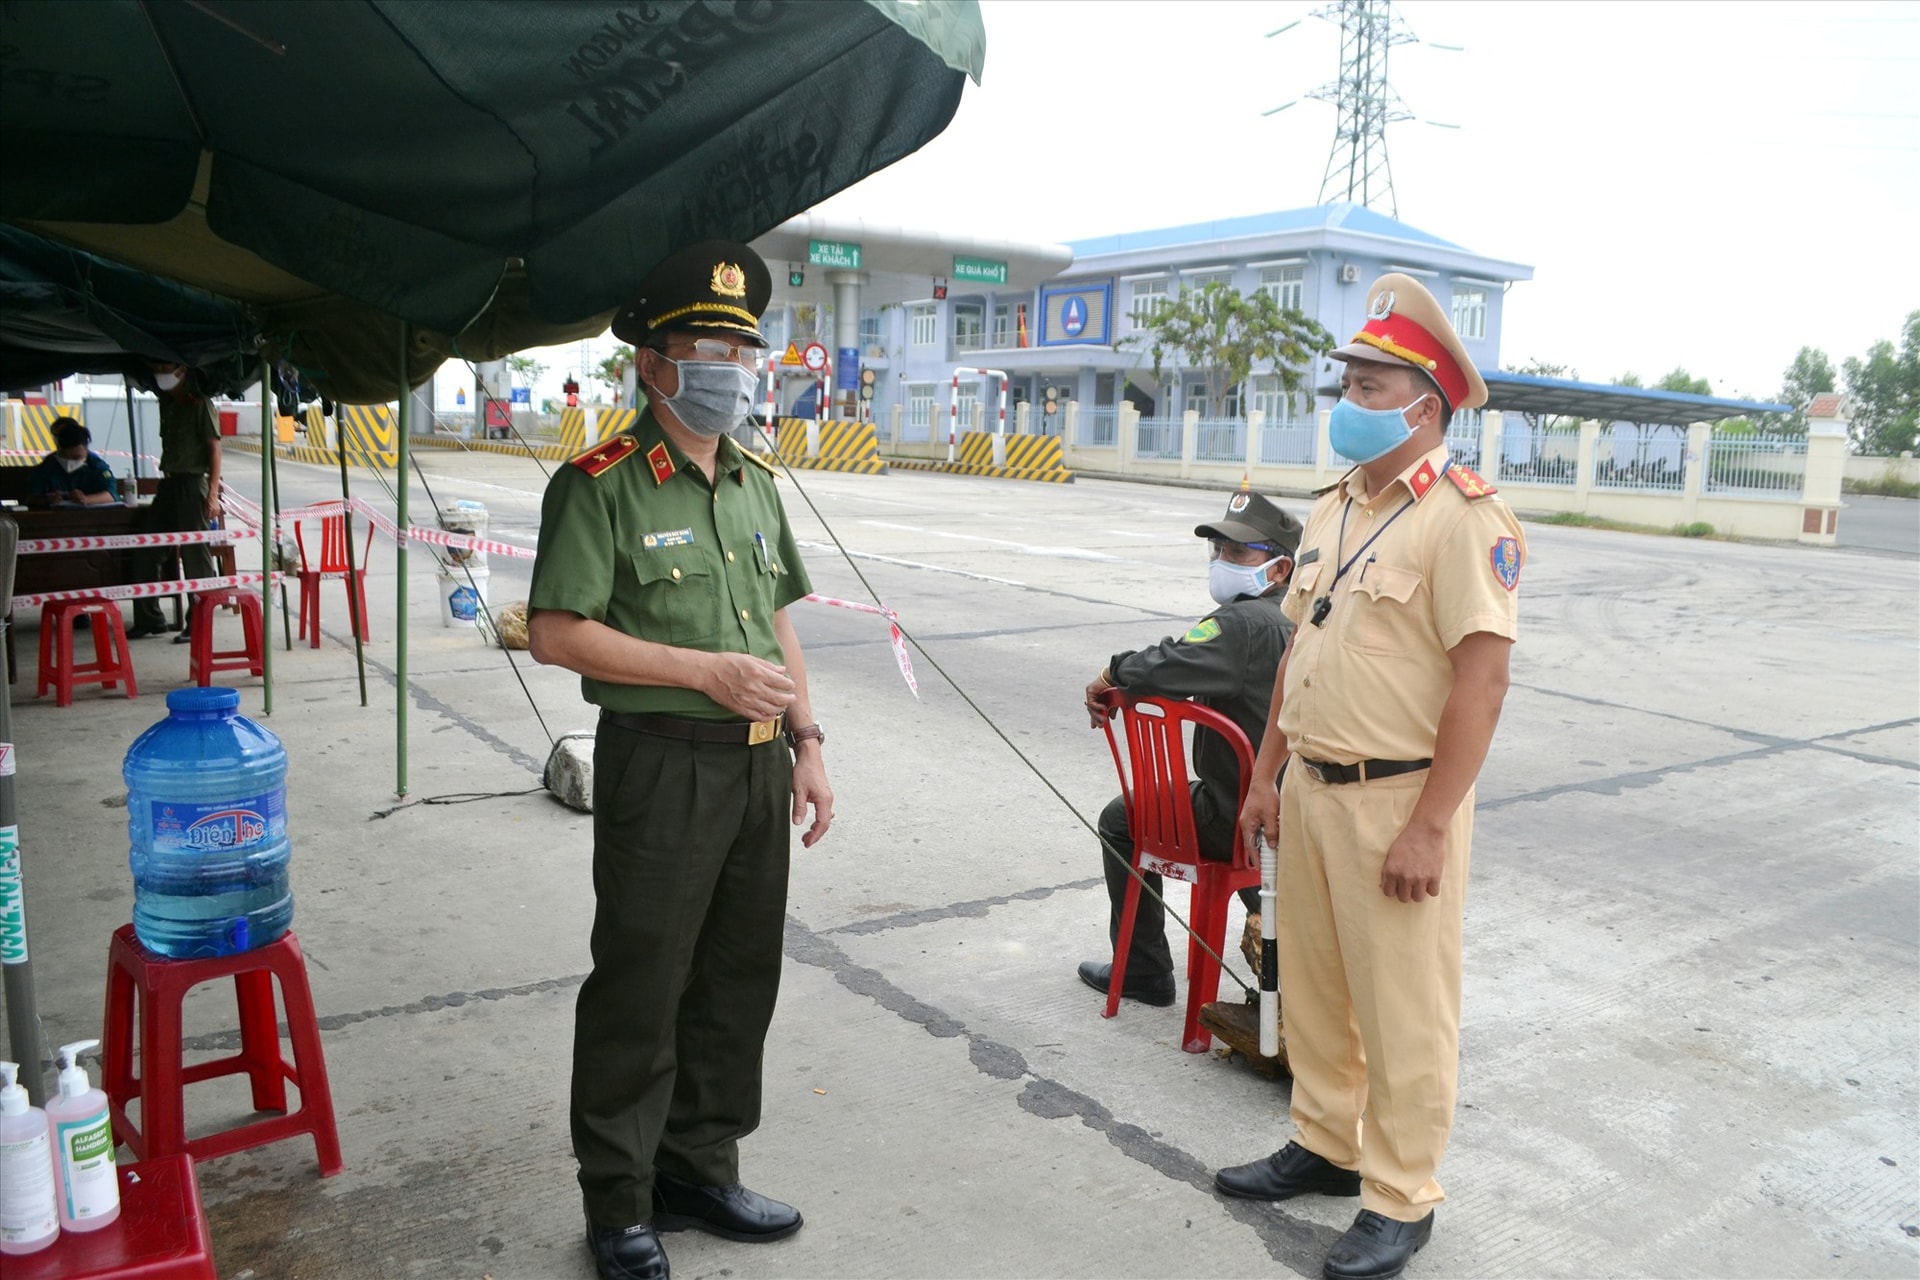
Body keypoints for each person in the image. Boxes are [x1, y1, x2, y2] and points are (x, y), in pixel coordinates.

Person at [526, 240, 834, 1280]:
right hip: (661, 761)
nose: (730, 368)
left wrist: (809, 743)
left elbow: (781, 624)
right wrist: (699, 670)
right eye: (707, 345)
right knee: (644, 981)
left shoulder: (752, 479)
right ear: (652, 362)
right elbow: (557, 631)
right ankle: (618, 1196)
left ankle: (699, 1164)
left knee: (736, 975)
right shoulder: (600, 483)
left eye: (741, 348)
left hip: (755, 767)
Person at [1214, 274, 1525, 1280]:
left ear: (1425, 404)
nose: (1349, 393)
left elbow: (1481, 686)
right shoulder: (1335, 507)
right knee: (1313, 983)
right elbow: (1299, 653)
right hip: (1308, 786)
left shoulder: (1464, 519)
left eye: (1371, 379)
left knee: (1402, 1004)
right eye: (1347, 375)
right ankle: (1326, 1142)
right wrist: (1265, 775)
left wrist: (1431, 825)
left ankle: (1401, 1194)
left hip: (1400, 798)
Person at [1076, 490, 1300, 1007]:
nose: (1222, 562)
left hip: (1240, 813)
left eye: (1239, 553)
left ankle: (1142, 972)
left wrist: (1113, 671)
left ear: (1279, 567)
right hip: (1298, 810)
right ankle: (1274, 934)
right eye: (1218, 550)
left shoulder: (1239, 625)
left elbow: (1161, 666)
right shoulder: (1305, 620)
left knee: (1119, 819)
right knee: (1245, 826)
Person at [128, 363, 222, 642]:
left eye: (166, 367)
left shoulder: (200, 404)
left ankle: (199, 624)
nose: (160, 372)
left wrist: (213, 492)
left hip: (192, 484)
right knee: (147, 546)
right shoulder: (166, 403)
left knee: (195, 555)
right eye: (156, 367)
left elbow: (214, 448)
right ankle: (149, 619)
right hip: (169, 483)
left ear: (182, 370)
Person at [29, 418, 120, 506]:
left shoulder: (95, 465)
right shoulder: (48, 465)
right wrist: (47, 499)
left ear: (85, 449)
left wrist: (86, 499)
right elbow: (30, 497)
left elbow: (111, 494)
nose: (70, 461)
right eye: (64, 456)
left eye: (76, 457)